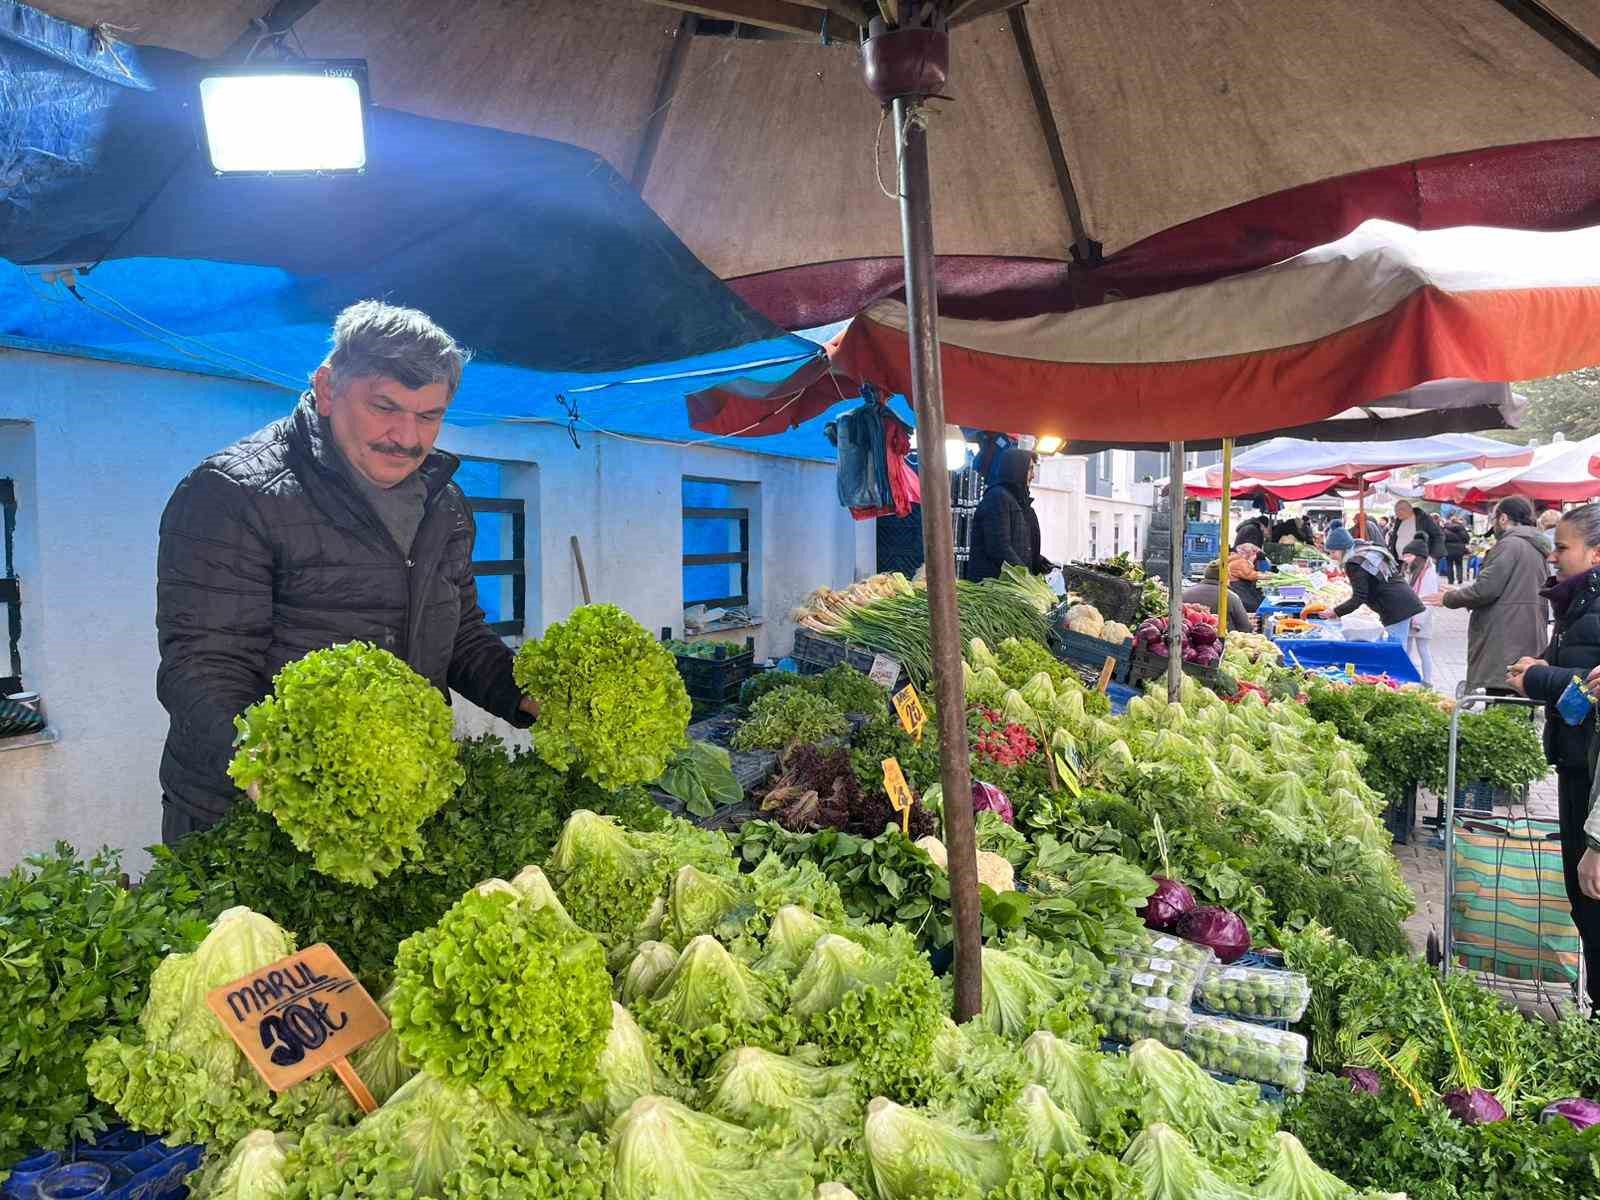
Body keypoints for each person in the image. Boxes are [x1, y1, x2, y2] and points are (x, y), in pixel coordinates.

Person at [156, 300, 538, 842]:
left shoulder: (445, 504)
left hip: (394, 805)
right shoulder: (234, 494)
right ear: (328, 388)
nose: (407, 437)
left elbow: (460, 635)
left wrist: (523, 693)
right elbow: (203, 664)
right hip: (250, 815)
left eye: (428, 416)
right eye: (385, 407)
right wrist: (275, 771)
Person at [1506, 504, 1600, 1013]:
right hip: (1577, 762)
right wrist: (1543, 664)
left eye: (1562, 547)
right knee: (1584, 898)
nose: (1554, 556)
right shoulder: (1580, 601)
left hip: (1589, 771)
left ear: (1596, 553)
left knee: (1591, 894)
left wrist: (1539, 677)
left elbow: (1590, 686)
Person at [1435, 496, 1552, 693]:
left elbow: (1486, 589)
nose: (1493, 524)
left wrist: (1450, 598)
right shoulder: (1536, 546)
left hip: (1505, 637)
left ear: (1503, 518)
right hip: (1528, 632)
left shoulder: (1510, 544)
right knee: (1518, 695)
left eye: (1493, 518)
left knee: (1501, 694)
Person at [966, 448, 1053, 582]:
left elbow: (1020, 545)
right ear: (1017, 470)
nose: (1033, 476)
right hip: (994, 586)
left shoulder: (1019, 502)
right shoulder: (997, 498)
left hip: (1012, 584)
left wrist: (1037, 561)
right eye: (1030, 469)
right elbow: (999, 547)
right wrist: (1026, 578)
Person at [1324, 540, 1424, 645]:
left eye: (1333, 552)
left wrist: (1336, 612)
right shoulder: (1364, 552)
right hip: (1401, 602)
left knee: (1396, 647)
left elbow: (1359, 597)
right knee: (1398, 645)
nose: (1331, 556)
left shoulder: (1354, 563)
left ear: (1343, 549)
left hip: (1396, 607)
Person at [1399, 536, 1441, 685]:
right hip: (1411, 614)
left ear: (1418, 556)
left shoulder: (1428, 572)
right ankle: (1406, 677)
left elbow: (1428, 599)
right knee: (1407, 648)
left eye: (1408, 555)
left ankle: (1427, 681)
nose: (1406, 558)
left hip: (1421, 617)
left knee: (1423, 649)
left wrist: (1418, 621)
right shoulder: (1413, 569)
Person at [1183, 561, 1251, 632]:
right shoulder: (1231, 597)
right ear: (1226, 577)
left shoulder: (1186, 593)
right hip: (1223, 637)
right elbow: (1245, 627)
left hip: (1189, 636)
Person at [1389, 499, 1445, 563]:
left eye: (1400, 510)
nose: (1397, 513)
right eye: (1396, 510)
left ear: (1409, 509)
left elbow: (1438, 536)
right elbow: (1395, 537)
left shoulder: (1424, 519)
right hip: (1399, 560)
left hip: (1418, 562)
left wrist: (1434, 556)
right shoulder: (1398, 521)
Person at [1226, 543, 1267, 613]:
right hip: (1239, 590)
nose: (1256, 557)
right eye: (1255, 554)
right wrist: (1272, 576)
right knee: (1253, 606)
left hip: (1240, 589)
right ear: (1250, 553)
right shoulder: (1240, 562)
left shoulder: (1239, 560)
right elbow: (1250, 575)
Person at [1443, 517, 1470, 585]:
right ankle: (1459, 579)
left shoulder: (1445, 529)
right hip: (1459, 548)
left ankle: (1450, 580)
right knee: (1459, 564)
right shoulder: (1461, 528)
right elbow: (1467, 538)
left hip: (1448, 549)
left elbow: (1443, 539)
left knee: (1449, 564)